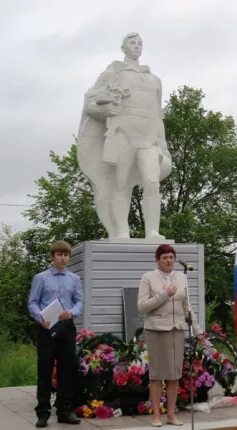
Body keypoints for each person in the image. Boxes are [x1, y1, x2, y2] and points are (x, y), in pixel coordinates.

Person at [77, 32, 172, 239]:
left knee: (152, 183)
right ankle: (121, 231)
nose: (137, 46)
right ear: (123, 48)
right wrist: (105, 111)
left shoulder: (154, 80)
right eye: (132, 42)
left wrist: (164, 146)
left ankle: (152, 231)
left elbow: (158, 116)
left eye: (139, 43)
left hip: (149, 139)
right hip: (123, 135)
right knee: (121, 184)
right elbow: (91, 104)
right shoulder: (113, 73)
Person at [138, 244, 201, 427]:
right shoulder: (148, 278)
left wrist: (197, 331)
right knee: (157, 375)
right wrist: (164, 295)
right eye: (165, 257)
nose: (169, 260)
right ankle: (156, 414)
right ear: (157, 260)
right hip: (157, 330)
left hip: (177, 330)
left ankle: (171, 414)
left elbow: (186, 306)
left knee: (174, 374)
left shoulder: (181, 277)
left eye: (171, 257)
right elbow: (141, 307)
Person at [27, 241, 84, 428]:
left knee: (66, 371)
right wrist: (39, 317)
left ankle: (64, 411)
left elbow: (79, 302)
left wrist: (73, 312)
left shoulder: (74, 279)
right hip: (46, 328)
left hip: (66, 328)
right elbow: (32, 302)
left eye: (66, 254)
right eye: (59, 254)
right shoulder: (40, 278)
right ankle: (42, 413)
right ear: (52, 256)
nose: (63, 258)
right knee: (44, 371)